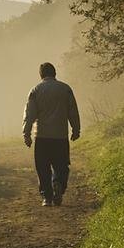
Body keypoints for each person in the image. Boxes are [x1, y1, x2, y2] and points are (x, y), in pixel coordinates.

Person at [22, 62, 81, 207]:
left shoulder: (35, 90)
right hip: (60, 136)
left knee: (43, 167)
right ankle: (58, 183)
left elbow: (29, 114)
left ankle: (47, 197)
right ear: (55, 73)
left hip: (42, 136)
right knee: (61, 165)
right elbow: (72, 110)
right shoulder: (65, 89)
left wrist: (26, 134)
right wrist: (76, 129)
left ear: (41, 75)